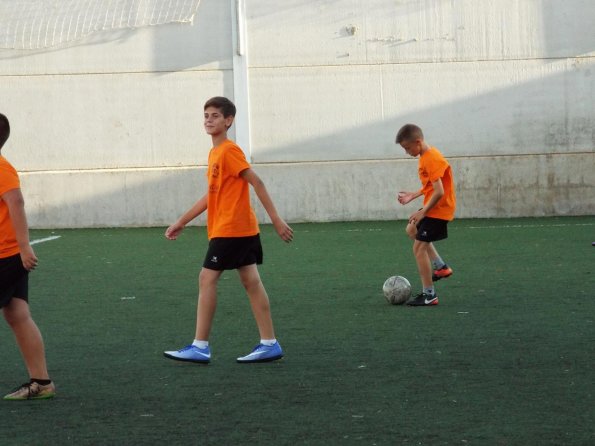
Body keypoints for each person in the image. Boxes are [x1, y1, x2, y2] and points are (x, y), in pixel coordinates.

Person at [163, 97, 293, 364]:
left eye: (215, 116)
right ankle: (269, 343)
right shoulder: (215, 153)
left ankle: (200, 346)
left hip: (232, 229)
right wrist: (182, 221)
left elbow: (257, 182)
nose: (208, 120)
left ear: (228, 121)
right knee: (251, 282)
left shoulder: (229, 151)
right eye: (206, 115)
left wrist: (276, 219)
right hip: (237, 228)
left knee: (206, 278)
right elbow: (212, 196)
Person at [0, 113, 55, 400]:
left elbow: (16, 202)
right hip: (11, 254)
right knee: (17, 313)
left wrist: (24, 247)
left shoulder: (1, 167)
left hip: (6, 255)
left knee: (17, 314)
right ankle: (41, 382)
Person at [395, 124, 456, 306]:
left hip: (439, 209)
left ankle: (429, 295)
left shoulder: (432, 158)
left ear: (418, 142)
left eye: (407, 148)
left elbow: (439, 192)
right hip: (433, 207)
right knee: (411, 230)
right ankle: (441, 267)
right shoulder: (425, 157)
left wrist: (424, 213)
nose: (406, 152)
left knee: (418, 248)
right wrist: (414, 195)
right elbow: (431, 186)